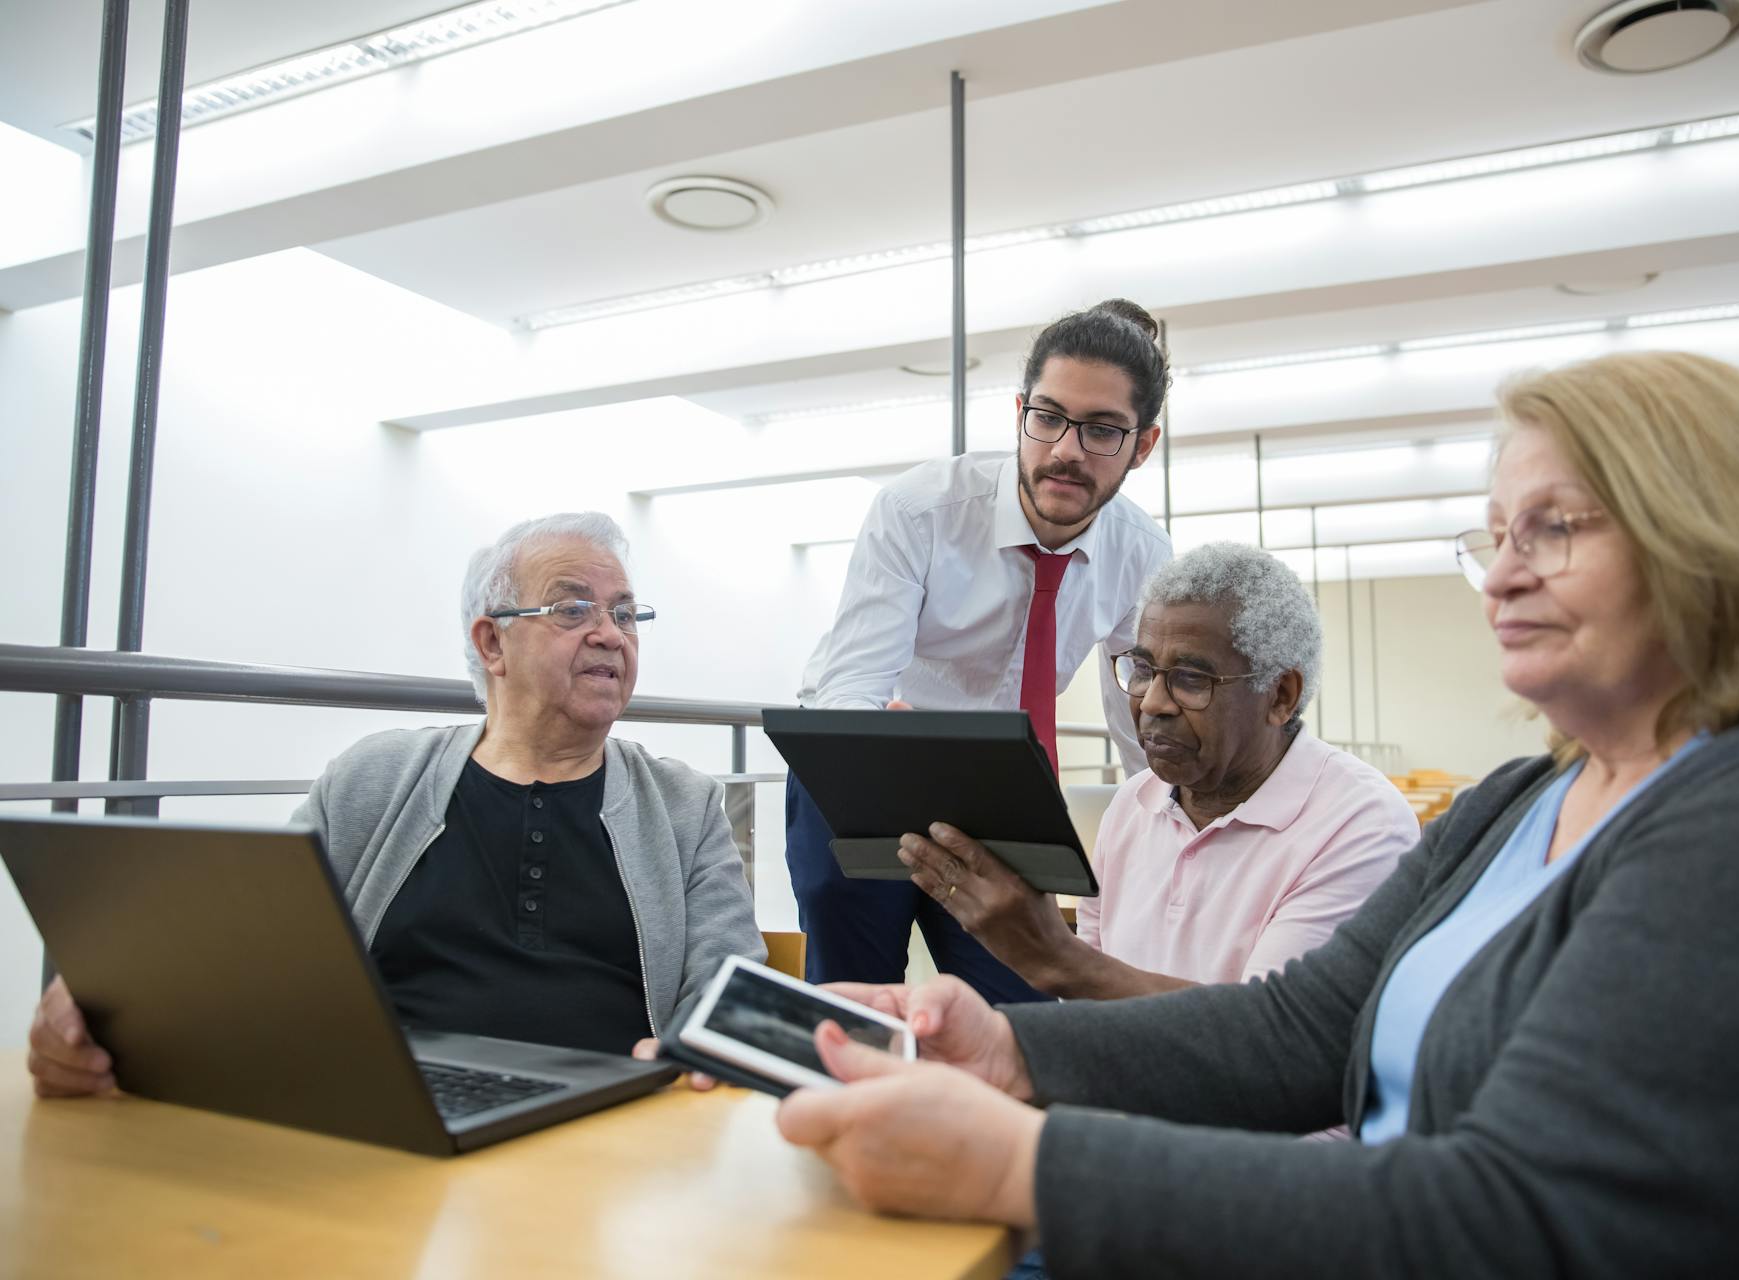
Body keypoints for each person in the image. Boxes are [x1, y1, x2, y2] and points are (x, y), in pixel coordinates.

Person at [772, 351, 1739, 1277]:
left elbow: (1525, 1219)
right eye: (1497, 534)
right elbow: (1302, 1029)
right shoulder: (1524, 802)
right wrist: (1011, 1044)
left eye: (1554, 528)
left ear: (1717, 546)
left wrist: (1026, 1164)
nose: (1504, 575)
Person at [28, 512, 763, 1096]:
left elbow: (731, 997)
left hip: (612, 1122)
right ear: (492, 644)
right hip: (384, 1105)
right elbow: (259, 943)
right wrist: (110, 1001)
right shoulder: (375, 779)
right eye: (573, 608)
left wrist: (696, 1047)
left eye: (626, 614)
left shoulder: (686, 808)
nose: (610, 634)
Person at [789, 299, 1174, 1002]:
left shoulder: (1142, 555)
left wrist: (1174, 848)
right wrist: (872, 761)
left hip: (1000, 789)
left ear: (1142, 446)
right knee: (856, 1004)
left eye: (1101, 431)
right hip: (871, 763)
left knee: (1017, 1009)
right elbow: (853, 685)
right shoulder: (920, 509)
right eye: (1049, 417)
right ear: (1022, 410)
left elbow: (1144, 728)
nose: (1064, 450)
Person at [897, 542, 1417, 1002]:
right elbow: (1094, 1014)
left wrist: (1053, 957)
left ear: (1279, 696)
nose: (1153, 704)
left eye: (1192, 679)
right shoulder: (1135, 803)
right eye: (1143, 670)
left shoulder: (1360, 823)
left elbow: (1276, 1037)